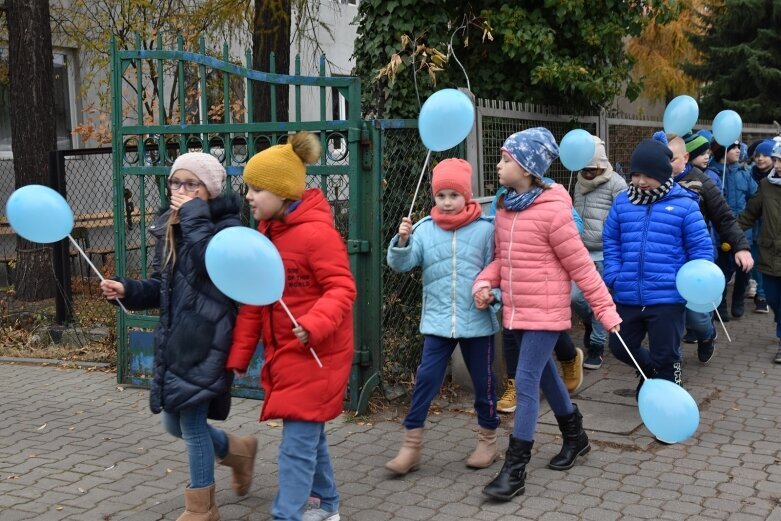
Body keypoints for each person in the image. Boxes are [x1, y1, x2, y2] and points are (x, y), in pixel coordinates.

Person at [99, 152, 254, 521]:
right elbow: (161, 286)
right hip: (175, 339)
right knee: (174, 421)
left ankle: (201, 509)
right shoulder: (167, 226)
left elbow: (210, 266)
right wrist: (127, 289)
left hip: (208, 338)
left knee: (191, 422)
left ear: (210, 191)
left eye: (191, 184)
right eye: (175, 183)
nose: (181, 191)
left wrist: (193, 217)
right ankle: (238, 451)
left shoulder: (226, 227)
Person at [473, 128, 621, 502]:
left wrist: (605, 310)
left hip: (546, 312)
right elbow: (499, 262)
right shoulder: (505, 208)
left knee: (525, 381)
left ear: (526, 167)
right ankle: (576, 437)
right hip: (516, 309)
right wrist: (483, 282)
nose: (498, 163)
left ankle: (515, 468)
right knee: (547, 374)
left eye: (506, 159)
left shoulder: (554, 212)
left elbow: (583, 269)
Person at [226, 132, 356, 521]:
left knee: (296, 444)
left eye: (257, 188)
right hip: (287, 355)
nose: (248, 195)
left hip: (318, 354)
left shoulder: (316, 234)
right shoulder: (267, 234)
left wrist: (314, 325)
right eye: (247, 187)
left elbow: (341, 287)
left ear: (283, 193)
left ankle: (288, 515)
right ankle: (327, 505)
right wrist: (240, 354)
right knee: (308, 436)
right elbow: (256, 299)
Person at [384, 158, 501, 475]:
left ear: (467, 195)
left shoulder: (486, 230)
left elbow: (500, 272)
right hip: (437, 322)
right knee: (425, 380)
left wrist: (493, 296)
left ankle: (488, 440)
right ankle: (411, 447)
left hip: (477, 324)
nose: (447, 202)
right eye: (441, 196)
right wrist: (403, 242)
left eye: (454, 195)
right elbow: (401, 264)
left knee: (484, 383)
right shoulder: (423, 229)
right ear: (433, 197)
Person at [603, 139, 713, 397]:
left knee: (667, 355)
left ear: (663, 175)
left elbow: (701, 250)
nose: (641, 181)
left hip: (667, 297)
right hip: (627, 294)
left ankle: (673, 402)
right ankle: (651, 372)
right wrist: (614, 275)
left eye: (649, 175)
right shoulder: (622, 203)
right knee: (620, 347)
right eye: (636, 174)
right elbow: (611, 240)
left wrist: (689, 284)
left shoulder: (685, 205)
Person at [490, 186, 586, 408]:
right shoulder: (503, 196)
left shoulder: (551, 191)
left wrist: (541, 236)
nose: (499, 166)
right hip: (516, 280)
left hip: (544, 280)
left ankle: (569, 357)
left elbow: (574, 225)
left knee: (549, 327)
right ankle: (516, 385)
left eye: (506, 160)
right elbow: (496, 229)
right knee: (510, 330)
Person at [663, 132, 753, 364]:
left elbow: (724, 217)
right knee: (668, 316)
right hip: (664, 260)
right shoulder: (654, 182)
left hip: (695, 260)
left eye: (671, 158)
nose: (665, 164)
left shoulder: (702, 181)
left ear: (684, 157)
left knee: (698, 318)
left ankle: (707, 335)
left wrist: (740, 246)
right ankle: (670, 367)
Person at [571, 135, 627, 370]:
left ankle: (596, 346)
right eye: (583, 169)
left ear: (601, 164)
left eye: (592, 169)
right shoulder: (578, 182)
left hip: (606, 253)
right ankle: (588, 321)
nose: (587, 173)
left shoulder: (617, 184)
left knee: (599, 300)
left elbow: (624, 219)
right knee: (574, 297)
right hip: (580, 252)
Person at [738, 142, 781, 363]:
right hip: (769, 253)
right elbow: (750, 213)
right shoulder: (766, 185)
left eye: (780, 160)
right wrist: (731, 230)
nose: (777, 165)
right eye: (776, 160)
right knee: (773, 299)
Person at [705, 140, 757, 321]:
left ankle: (738, 300)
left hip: (743, 233)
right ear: (721, 152)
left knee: (744, 271)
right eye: (733, 147)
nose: (738, 150)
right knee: (722, 272)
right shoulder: (713, 175)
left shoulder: (744, 174)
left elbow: (754, 198)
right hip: (721, 234)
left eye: (738, 147)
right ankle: (720, 305)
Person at [746, 139, 776, 313]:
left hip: (771, 228)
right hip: (754, 227)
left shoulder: (775, 177)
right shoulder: (749, 174)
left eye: (765, 155)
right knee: (756, 261)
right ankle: (761, 296)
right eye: (758, 155)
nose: (761, 159)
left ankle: (764, 294)